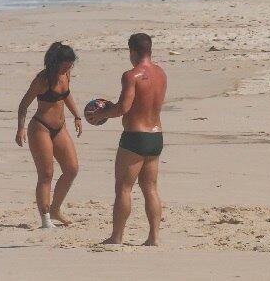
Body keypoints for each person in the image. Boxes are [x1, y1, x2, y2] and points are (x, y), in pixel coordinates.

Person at [88, 33, 167, 246]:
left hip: (135, 137)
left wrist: (101, 114)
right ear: (149, 50)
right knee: (150, 187)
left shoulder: (131, 75)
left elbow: (123, 107)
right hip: (156, 135)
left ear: (132, 51)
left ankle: (117, 237)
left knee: (123, 188)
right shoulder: (161, 73)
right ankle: (154, 237)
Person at [15, 42, 82, 228]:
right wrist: (20, 129)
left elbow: (66, 94)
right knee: (46, 174)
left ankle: (55, 209)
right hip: (40, 128)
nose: (69, 67)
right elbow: (23, 105)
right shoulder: (42, 80)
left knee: (71, 169)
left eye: (71, 64)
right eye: (66, 64)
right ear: (56, 62)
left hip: (60, 128)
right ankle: (45, 219)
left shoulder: (66, 74)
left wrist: (77, 115)